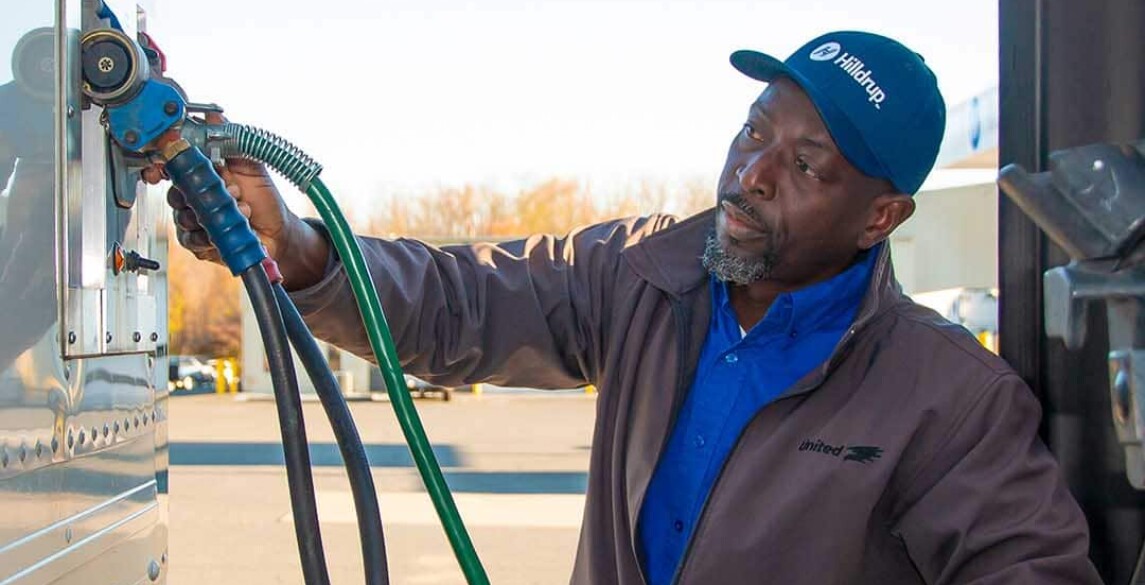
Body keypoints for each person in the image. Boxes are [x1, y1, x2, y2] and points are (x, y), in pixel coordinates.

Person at [166, 31, 1102, 584]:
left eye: (805, 163)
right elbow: (457, 303)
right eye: (753, 133)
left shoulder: (950, 400)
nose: (751, 174)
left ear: (880, 216)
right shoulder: (640, 276)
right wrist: (296, 243)